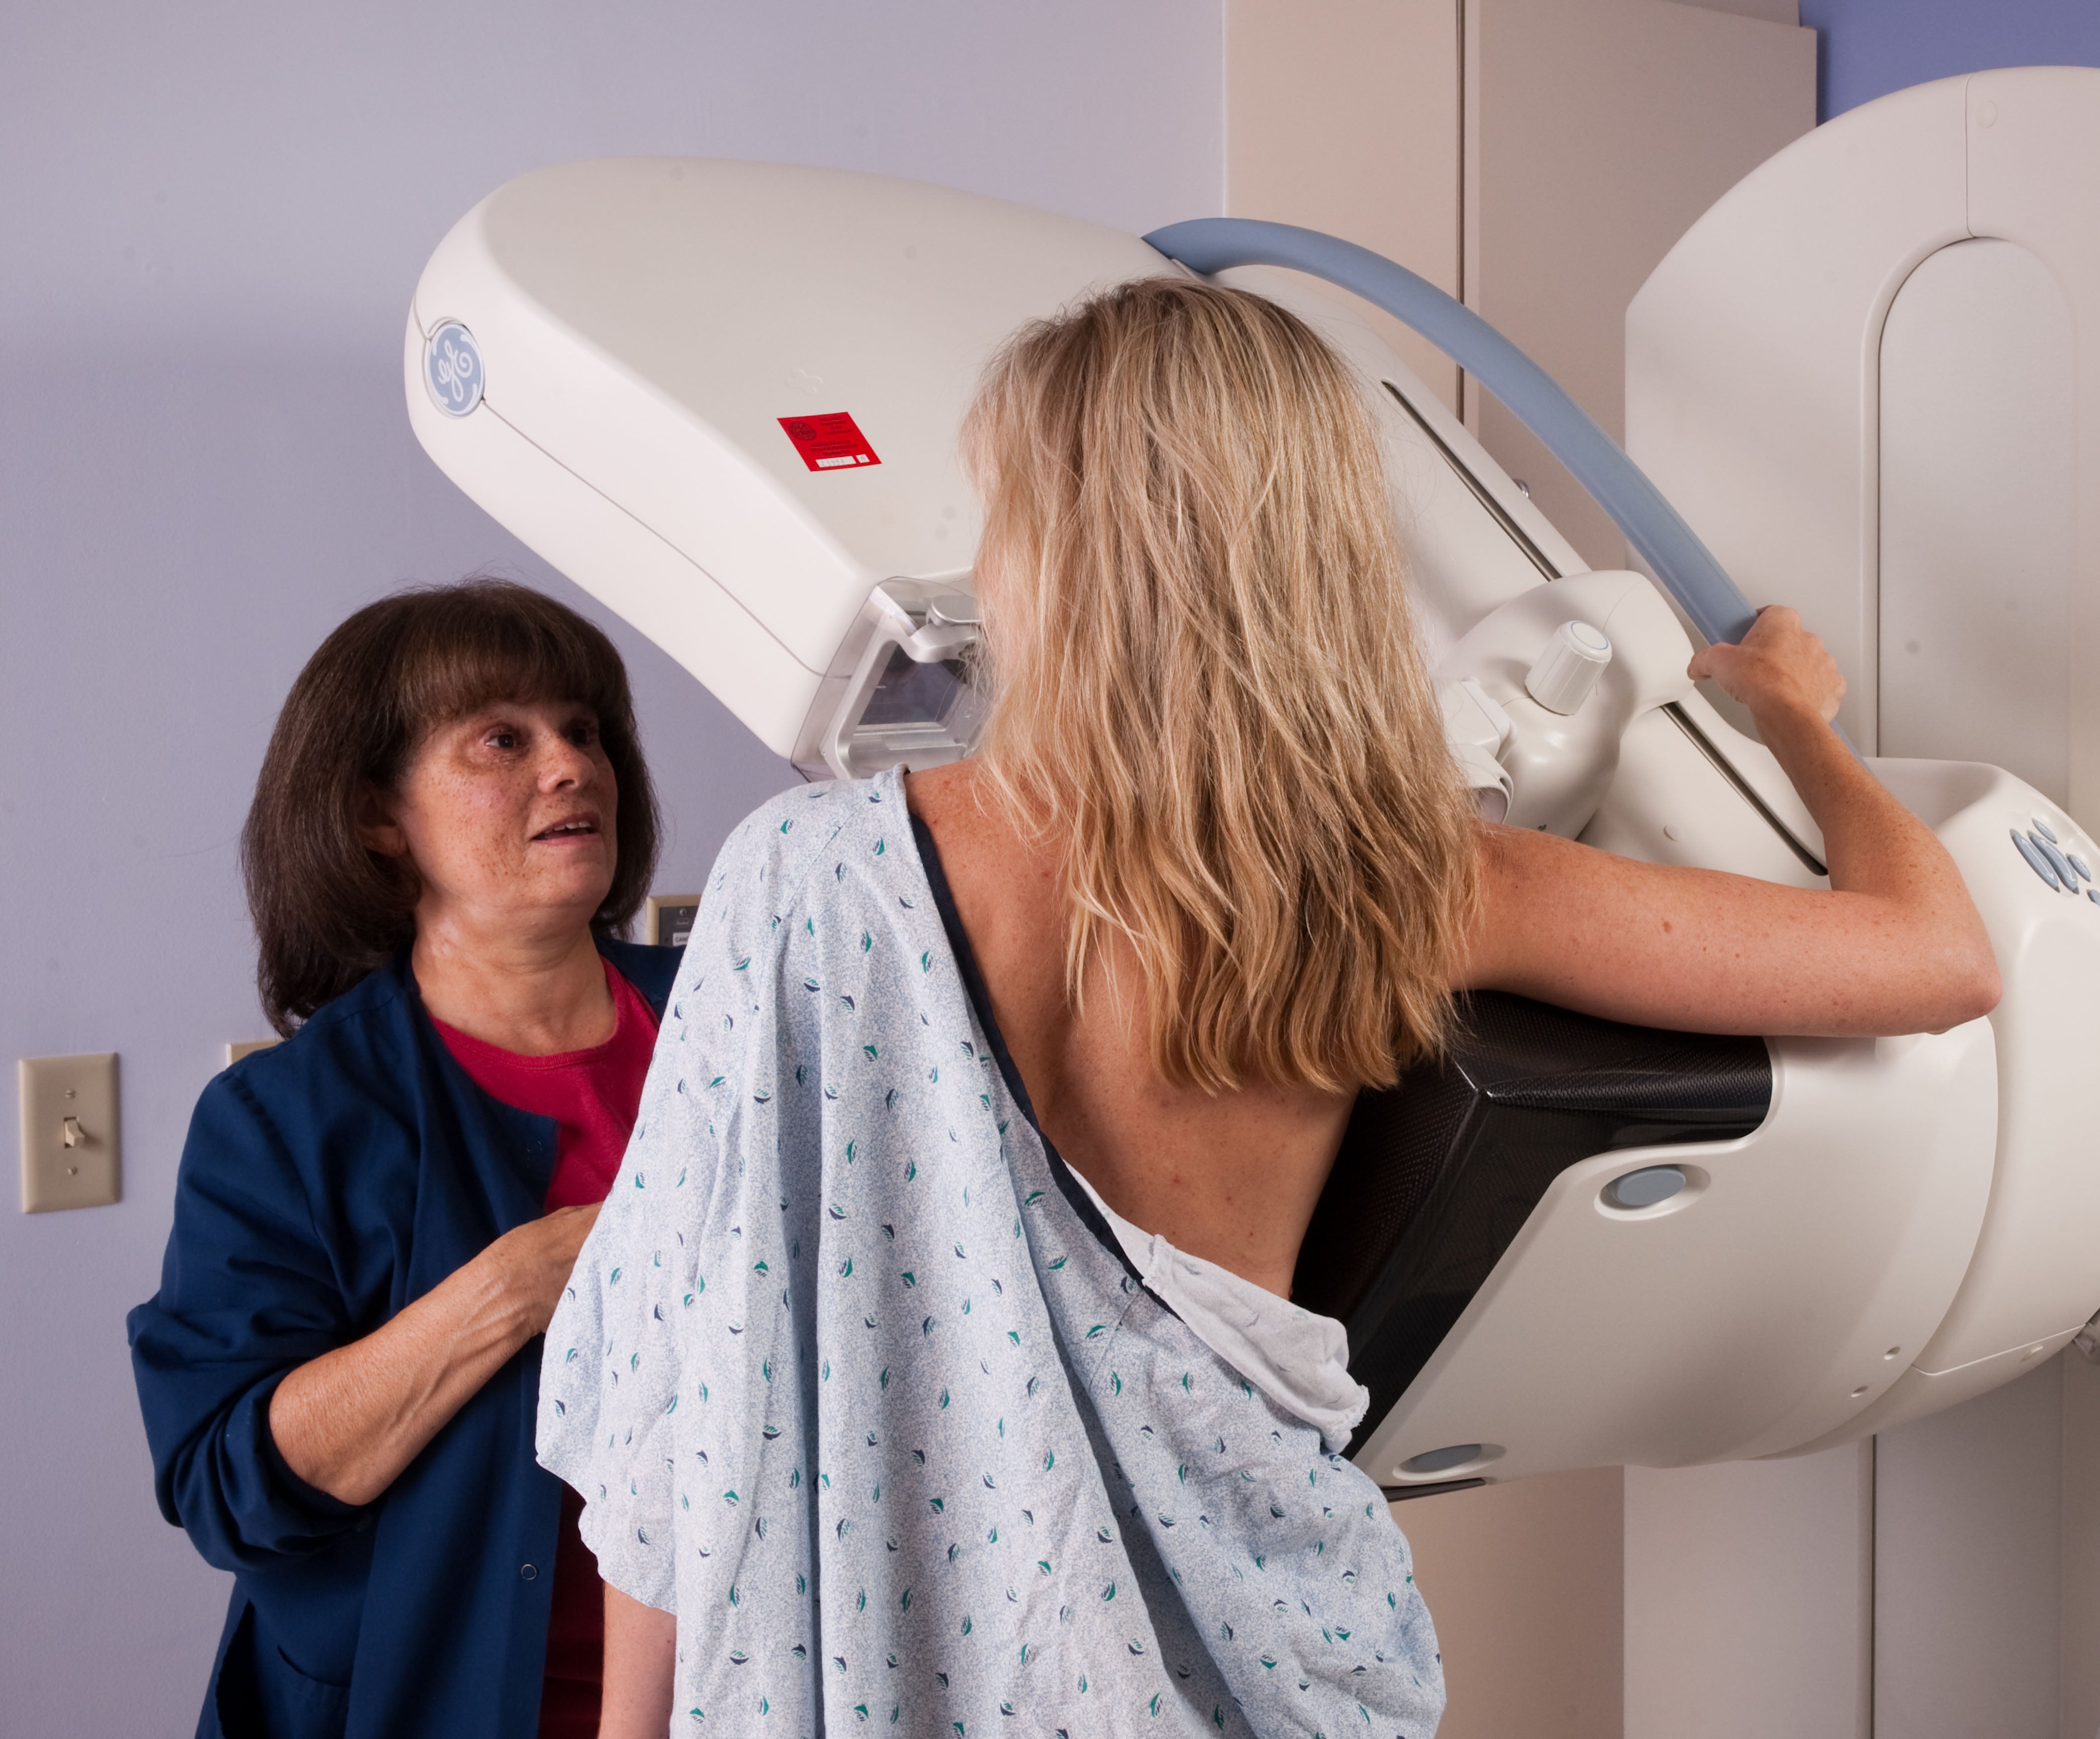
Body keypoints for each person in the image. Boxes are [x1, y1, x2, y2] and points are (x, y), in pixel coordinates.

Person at [547, 280, 2000, 1738]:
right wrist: (1798, 720)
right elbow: (1936, 957)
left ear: (1049, 551)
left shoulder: (799, 880)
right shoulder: (1413, 879)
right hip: (1245, 1667)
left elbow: (678, 1397)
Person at [129, 580, 683, 1739]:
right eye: (501, 738)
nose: (571, 764)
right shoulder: (283, 1117)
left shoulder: (739, 1026)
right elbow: (227, 1489)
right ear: (382, 814)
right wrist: (521, 1282)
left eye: (583, 730)